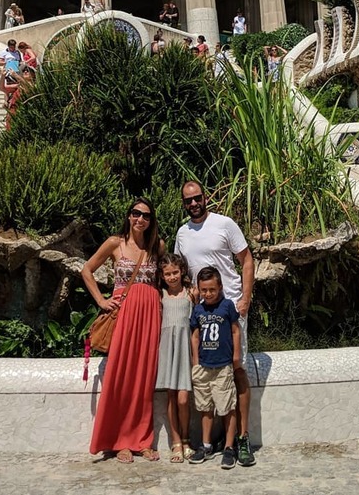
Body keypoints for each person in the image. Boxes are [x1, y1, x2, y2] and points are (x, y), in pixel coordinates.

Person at [174, 180, 256, 467]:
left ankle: (243, 438)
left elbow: (246, 260)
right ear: (183, 204)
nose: (194, 203)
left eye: (197, 198)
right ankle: (217, 440)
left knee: (237, 370)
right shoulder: (182, 233)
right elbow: (182, 269)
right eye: (188, 200)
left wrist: (245, 298)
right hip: (203, 314)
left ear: (205, 197)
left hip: (231, 307)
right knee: (210, 377)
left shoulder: (225, 224)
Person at [81, 197, 166, 463]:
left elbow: (168, 276)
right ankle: (118, 441)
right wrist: (102, 300)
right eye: (136, 213)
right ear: (129, 216)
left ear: (151, 221)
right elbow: (86, 270)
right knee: (121, 377)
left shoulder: (157, 246)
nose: (140, 219)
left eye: (146, 216)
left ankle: (142, 440)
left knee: (144, 377)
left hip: (151, 313)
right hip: (125, 314)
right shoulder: (115, 243)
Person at [188, 267, 240, 469]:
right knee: (205, 407)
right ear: (199, 290)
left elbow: (236, 331)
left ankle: (228, 447)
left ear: (219, 287)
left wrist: (236, 356)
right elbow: (195, 336)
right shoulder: (198, 310)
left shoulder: (227, 306)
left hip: (222, 365)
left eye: (212, 289)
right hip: (203, 365)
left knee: (227, 406)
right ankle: (206, 444)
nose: (208, 294)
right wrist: (195, 361)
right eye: (204, 290)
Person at [155, 253, 194, 463]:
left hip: (184, 348)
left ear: (182, 272)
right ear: (162, 276)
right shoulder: (160, 295)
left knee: (183, 398)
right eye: (167, 273)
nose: (172, 277)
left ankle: (187, 438)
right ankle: (176, 441)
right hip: (167, 349)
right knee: (171, 396)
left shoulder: (191, 294)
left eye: (175, 272)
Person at [0, 63, 37, 129]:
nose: (25, 71)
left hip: (23, 115)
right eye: (23, 70)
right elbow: (2, 88)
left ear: (33, 75)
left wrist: (16, 75)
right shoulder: (18, 86)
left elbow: (29, 88)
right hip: (12, 114)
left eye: (28, 70)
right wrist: (3, 76)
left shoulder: (34, 86)